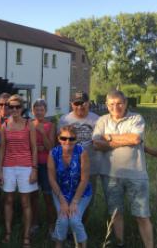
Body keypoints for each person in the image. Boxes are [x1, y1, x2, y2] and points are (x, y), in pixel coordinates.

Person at [93, 90, 153, 248]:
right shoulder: (102, 120)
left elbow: (135, 139)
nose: (116, 107)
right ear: (106, 105)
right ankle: (120, 244)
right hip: (110, 175)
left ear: (126, 103)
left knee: (142, 215)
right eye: (111, 104)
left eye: (119, 103)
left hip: (136, 175)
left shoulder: (136, 118)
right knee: (115, 214)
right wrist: (125, 139)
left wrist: (109, 138)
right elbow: (96, 143)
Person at [0, 94, 38, 248]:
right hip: (8, 167)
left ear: (22, 108)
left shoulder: (29, 124)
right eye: (11, 107)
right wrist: (0, 170)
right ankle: (8, 232)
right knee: (8, 200)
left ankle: (26, 236)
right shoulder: (4, 125)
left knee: (25, 202)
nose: (14, 109)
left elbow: (34, 148)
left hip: (26, 167)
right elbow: (2, 149)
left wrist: (34, 169)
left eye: (17, 107)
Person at [48, 125, 92, 248]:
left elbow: (84, 179)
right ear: (58, 138)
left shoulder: (82, 153)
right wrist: (62, 200)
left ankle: (82, 244)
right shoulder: (53, 153)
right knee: (62, 220)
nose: (67, 141)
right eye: (64, 138)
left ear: (76, 139)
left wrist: (74, 201)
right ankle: (59, 244)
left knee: (74, 220)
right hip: (60, 192)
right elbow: (51, 178)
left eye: (71, 139)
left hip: (81, 193)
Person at [58, 91, 99, 220]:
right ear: (72, 104)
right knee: (68, 196)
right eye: (77, 103)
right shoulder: (64, 119)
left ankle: (81, 226)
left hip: (91, 165)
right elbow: (58, 142)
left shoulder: (97, 119)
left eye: (83, 103)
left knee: (87, 198)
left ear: (88, 104)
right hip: (69, 166)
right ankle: (68, 227)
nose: (80, 106)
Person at [30, 99, 56, 236]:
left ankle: (51, 225)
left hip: (46, 165)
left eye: (41, 110)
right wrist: (37, 147)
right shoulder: (29, 124)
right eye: (36, 109)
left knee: (47, 196)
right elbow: (28, 146)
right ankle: (34, 223)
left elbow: (51, 147)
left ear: (46, 111)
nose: (39, 112)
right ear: (33, 111)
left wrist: (42, 132)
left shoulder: (50, 125)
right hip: (32, 164)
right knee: (33, 196)